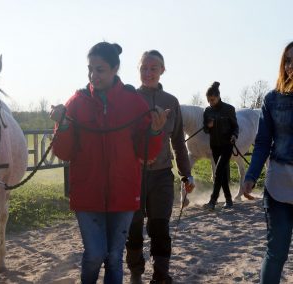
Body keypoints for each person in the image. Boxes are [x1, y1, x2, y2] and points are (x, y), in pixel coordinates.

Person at [50, 42, 169, 284]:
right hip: (87, 194)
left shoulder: (134, 102)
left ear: (115, 69)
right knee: (94, 255)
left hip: (123, 194)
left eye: (100, 69)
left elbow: (146, 154)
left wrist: (155, 132)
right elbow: (64, 152)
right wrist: (62, 125)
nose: (93, 75)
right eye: (90, 69)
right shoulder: (77, 102)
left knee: (114, 257)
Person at [125, 50, 195, 284]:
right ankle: (136, 272)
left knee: (160, 227)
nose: (148, 72)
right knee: (133, 227)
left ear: (162, 70)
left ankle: (161, 274)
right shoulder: (131, 99)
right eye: (144, 68)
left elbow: (178, 142)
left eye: (153, 68)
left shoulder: (171, 102)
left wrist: (186, 174)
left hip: (163, 175)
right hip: (134, 175)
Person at [243, 41, 293, 284]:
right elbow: (262, 142)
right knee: (276, 253)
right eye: (288, 60)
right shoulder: (272, 100)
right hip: (278, 187)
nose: (292, 66)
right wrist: (251, 176)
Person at [202, 81, 239, 210]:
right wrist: (208, 126)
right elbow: (205, 129)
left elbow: (235, 127)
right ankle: (229, 200)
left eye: (212, 100)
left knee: (218, 171)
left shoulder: (229, 109)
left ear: (218, 96)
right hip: (215, 146)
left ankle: (213, 201)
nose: (210, 103)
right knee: (221, 173)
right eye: (208, 100)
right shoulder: (207, 111)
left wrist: (235, 135)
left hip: (227, 145)